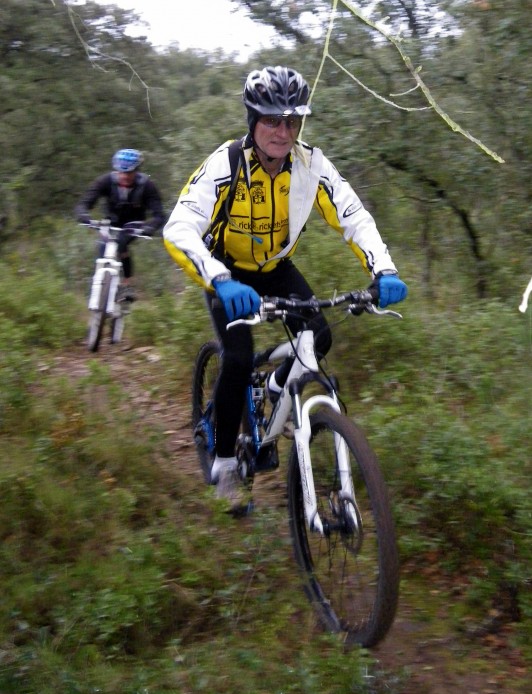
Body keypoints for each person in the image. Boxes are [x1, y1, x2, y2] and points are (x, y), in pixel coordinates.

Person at [163, 65, 408, 504]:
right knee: (237, 357)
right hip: (226, 270)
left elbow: (352, 216)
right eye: (272, 120)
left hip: (275, 267)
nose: (283, 130)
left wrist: (383, 269)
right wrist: (219, 280)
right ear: (253, 121)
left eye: (292, 120)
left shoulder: (311, 165)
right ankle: (222, 464)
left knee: (320, 336)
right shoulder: (227, 163)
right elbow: (179, 227)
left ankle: (274, 387)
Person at [75, 148, 165, 300]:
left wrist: (150, 227)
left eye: (129, 172)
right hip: (111, 221)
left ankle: (127, 284)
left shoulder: (147, 186)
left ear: (136, 171)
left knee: (121, 242)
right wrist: (84, 215)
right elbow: (84, 203)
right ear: (115, 170)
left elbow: (159, 214)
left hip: (134, 224)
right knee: (103, 246)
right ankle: (99, 283)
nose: (124, 176)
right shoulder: (105, 181)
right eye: (121, 172)